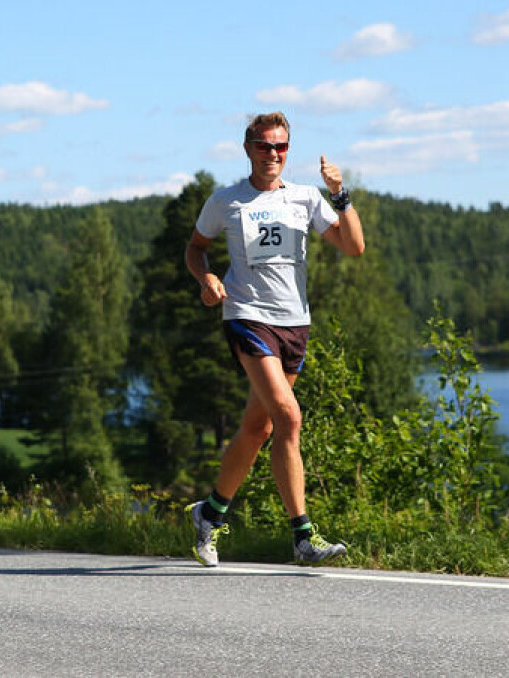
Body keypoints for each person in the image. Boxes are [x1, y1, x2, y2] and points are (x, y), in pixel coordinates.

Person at [183, 111, 365, 567]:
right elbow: (195, 248)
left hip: (294, 323)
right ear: (247, 149)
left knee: (258, 427)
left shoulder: (304, 198)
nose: (273, 155)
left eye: (281, 147)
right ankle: (303, 537)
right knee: (289, 417)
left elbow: (354, 246)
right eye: (264, 146)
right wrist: (206, 280)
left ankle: (209, 513)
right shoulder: (226, 201)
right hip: (247, 316)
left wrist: (339, 194)